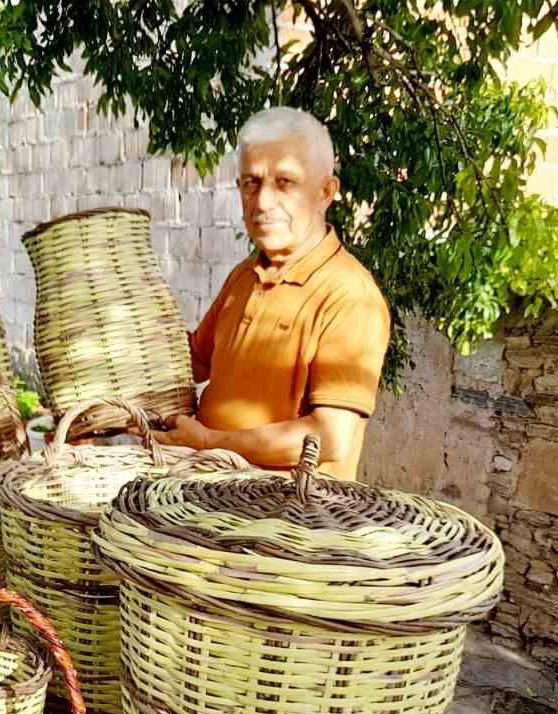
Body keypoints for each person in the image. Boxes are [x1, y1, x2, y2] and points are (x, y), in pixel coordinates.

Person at [153, 106, 391, 481]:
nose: (263, 202)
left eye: (284, 182)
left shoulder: (349, 296)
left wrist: (210, 442)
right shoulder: (245, 276)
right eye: (251, 182)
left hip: (287, 524)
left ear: (325, 192)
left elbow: (329, 437)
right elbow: (193, 360)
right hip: (213, 505)